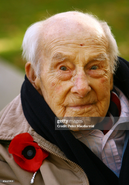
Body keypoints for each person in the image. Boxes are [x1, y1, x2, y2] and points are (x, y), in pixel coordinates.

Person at [0, 11, 129, 185]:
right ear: (34, 76)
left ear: (112, 69)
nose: (81, 88)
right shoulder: (4, 155)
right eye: (63, 68)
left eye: (95, 66)